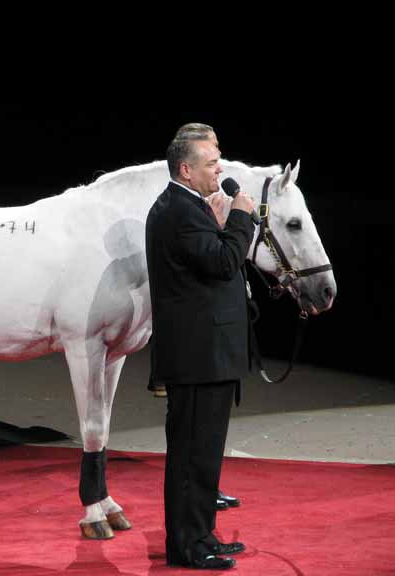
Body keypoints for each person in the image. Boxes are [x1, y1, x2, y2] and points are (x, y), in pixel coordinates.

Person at [146, 123, 256, 570]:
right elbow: (225, 261)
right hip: (196, 358)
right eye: (212, 164)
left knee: (204, 454)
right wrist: (241, 216)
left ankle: (202, 533)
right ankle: (189, 546)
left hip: (206, 356)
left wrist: (221, 222)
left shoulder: (187, 207)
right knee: (192, 456)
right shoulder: (179, 211)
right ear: (187, 170)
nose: (221, 171)